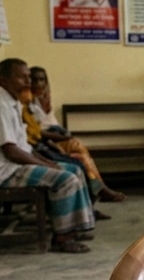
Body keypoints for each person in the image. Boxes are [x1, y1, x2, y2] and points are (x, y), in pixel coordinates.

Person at [0, 59, 95, 254]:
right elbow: (11, 151)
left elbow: (24, 146)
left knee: (75, 169)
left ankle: (74, 228)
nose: (28, 81)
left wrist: (48, 162)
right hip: (3, 172)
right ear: (3, 80)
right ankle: (62, 238)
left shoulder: (12, 103)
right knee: (67, 179)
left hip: (15, 165)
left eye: (28, 76)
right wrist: (45, 165)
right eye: (22, 77)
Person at [27, 66, 126, 203]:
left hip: (52, 137)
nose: (38, 83)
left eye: (42, 79)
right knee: (79, 157)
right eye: (34, 79)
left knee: (80, 152)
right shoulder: (25, 101)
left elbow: (50, 123)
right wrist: (62, 137)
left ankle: (98, 193)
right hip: (44, 143)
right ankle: (100, 191)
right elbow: (37, 132)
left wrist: (63, 135)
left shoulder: (43, 98)